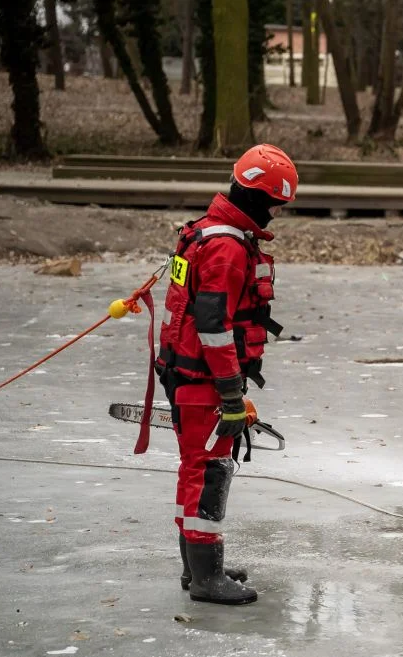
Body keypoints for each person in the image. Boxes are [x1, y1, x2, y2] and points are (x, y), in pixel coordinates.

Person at [154, 144, 298, 604]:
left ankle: (195, 567)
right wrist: (232, 394)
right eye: (275, 203)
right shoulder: (226, 248)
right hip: (202, 379)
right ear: (255, 197)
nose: (276, 213)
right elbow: (214, 327)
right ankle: (206, 577)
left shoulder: (206, 232)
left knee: (195, 467)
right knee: (210, 471)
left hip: (184, 370)